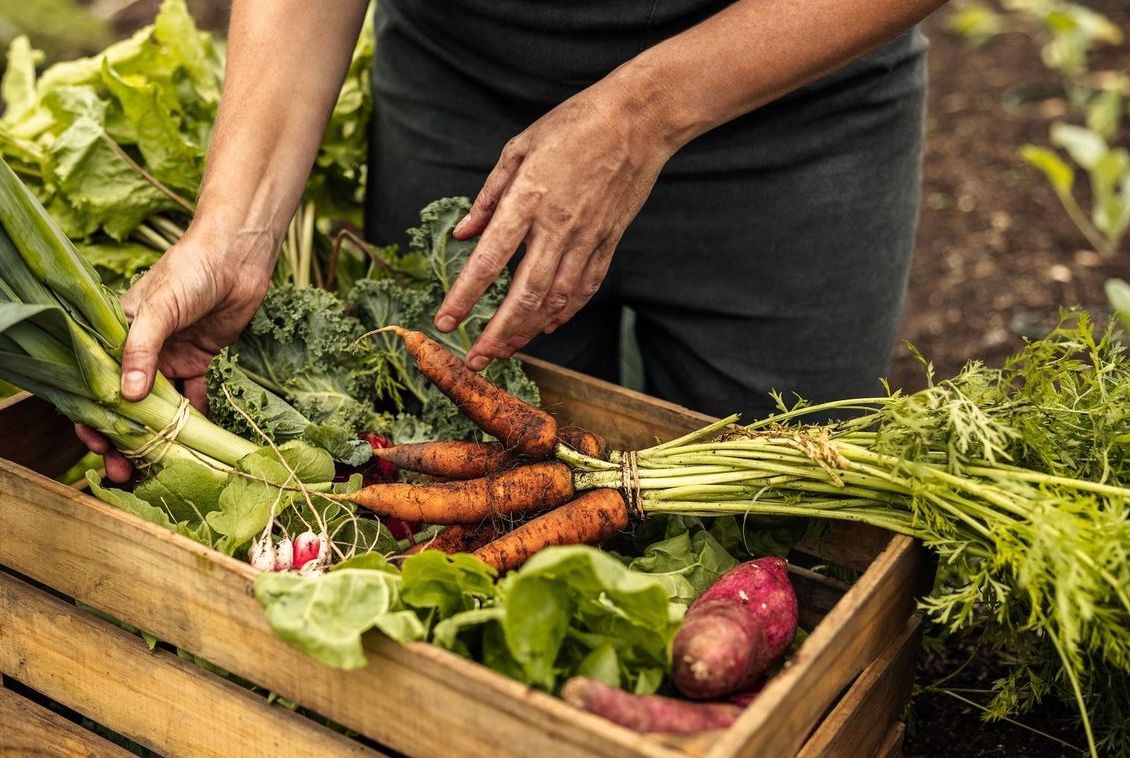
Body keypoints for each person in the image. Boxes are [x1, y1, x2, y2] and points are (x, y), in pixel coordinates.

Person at [77, 0, 948, 482]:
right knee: (449, 475)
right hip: (466, 94)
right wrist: (237, 228)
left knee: (783, 520)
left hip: (790, 104)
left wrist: (638, 115)